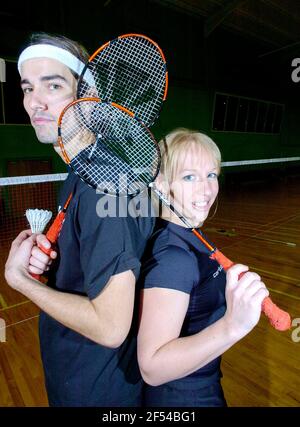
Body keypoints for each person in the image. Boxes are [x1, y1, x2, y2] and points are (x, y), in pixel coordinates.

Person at [4, 32, 155, 407]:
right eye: (27, 88)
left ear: (87, 97)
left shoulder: (106, 187)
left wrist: (20, 281)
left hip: (99, 391)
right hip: (75, 374)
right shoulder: (81, 171)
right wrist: (54, 259)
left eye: (52, 85)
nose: (34, 102)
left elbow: (110, 327)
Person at [137, 128, 269, 407]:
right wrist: (233, 325)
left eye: (211, 175)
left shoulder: (186, 230)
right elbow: (152, 367)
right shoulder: (174, 258)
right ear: (161, 185)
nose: (207, 189)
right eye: (189, 177)